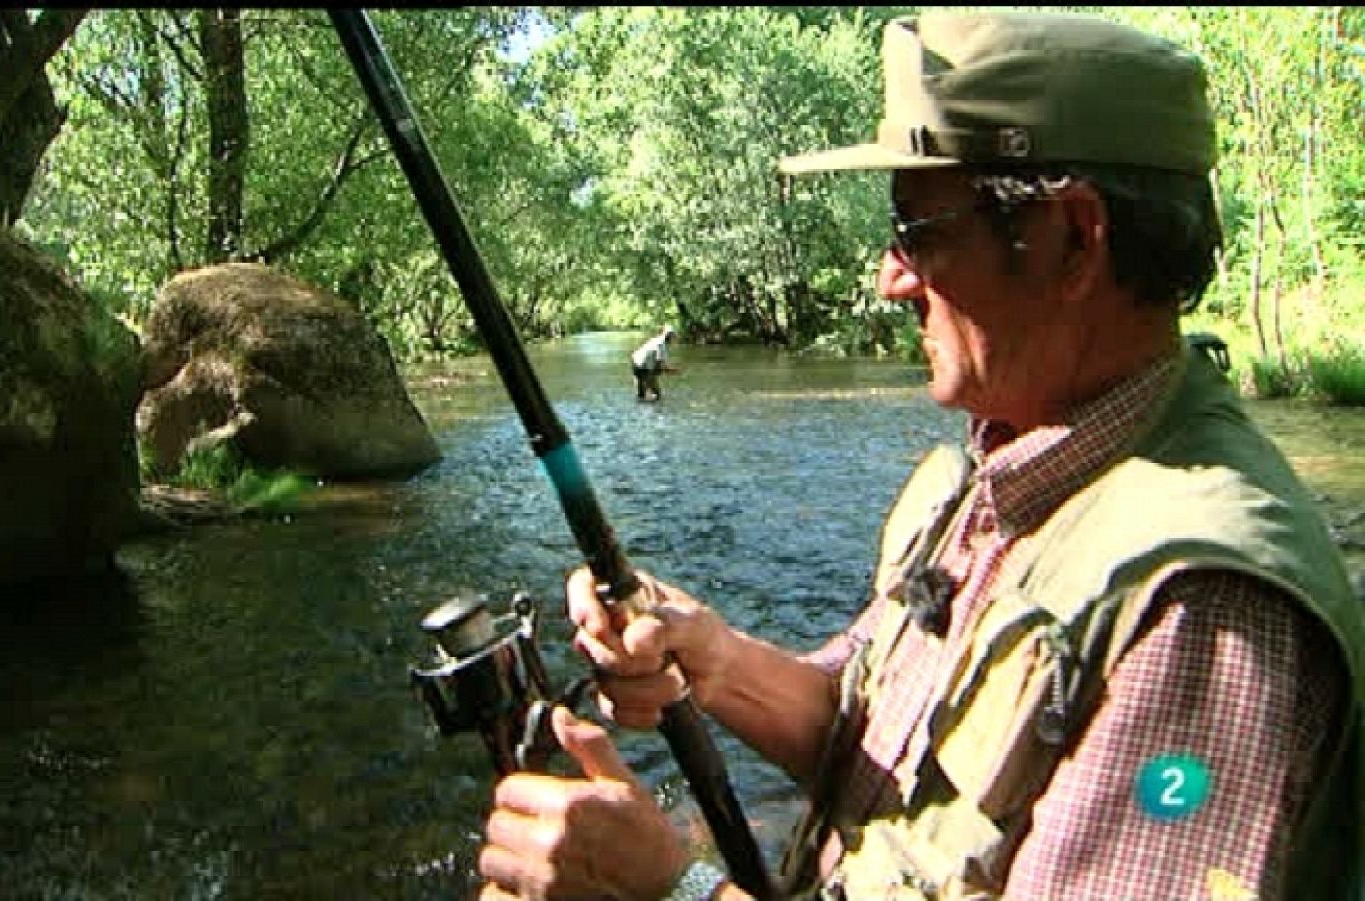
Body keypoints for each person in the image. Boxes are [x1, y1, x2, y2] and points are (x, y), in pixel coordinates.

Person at [476, 11, 1363, 901]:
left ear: (1073, 236)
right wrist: (713, 660)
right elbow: (862, 733)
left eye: (920, 228)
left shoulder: (1205, 615)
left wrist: (673, 888)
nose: (890, 276)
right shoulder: (1012, 465)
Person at [631, 326, 678, 401]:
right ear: (667, 336)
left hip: (635, 361)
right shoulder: (661, 344)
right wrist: (670, 370)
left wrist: (667, 369)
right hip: (643, 365)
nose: (672, 337)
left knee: (641, 393)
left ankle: (639, 406)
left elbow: (658, 364)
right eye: (671, 335)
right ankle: (656, 410)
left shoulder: (655, 340)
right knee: (657, 393)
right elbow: (659, 362)